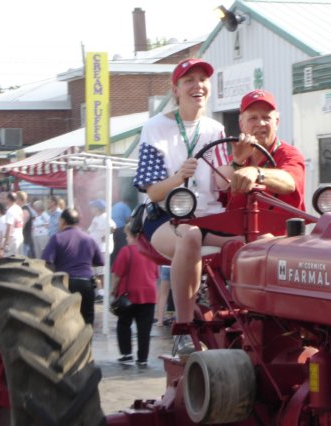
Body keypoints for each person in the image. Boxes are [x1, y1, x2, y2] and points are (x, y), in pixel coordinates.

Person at [133, 58, 231, 355]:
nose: (197, 85)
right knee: (189, 236)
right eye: (189, 80)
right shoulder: (155, 128)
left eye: (202, 79)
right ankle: (184, 329)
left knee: (257, 244)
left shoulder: (215, 129)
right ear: (175, 89)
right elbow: (152, 189)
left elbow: (224, 181)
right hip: (166, 217)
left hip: (209, 217)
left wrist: (238, 170)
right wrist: (179, 177)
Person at [225, 89, 306, 212]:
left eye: (266, 118)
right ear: (241, 124)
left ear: (276, 122)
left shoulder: (289, 155)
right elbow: (216, 197)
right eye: (253, 118)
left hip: (281, 231)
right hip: (238, 231)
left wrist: (256, 173)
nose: (260, 123)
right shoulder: (232, 161)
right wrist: (238, 163)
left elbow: (290, 182)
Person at [41, 208, 104, 326]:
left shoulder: (57, 238)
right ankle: (86, 344)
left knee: (64, 321)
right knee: (87, 321)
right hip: (86, 284)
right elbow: (100, 261)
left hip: (64, 285)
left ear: (63, 221)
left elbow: (46, 261)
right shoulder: (88, 239)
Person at [111, 223, 158, 367]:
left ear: (133, 236)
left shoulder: (126, 251)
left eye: (127, 235)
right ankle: (142, 358)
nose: (126, 238)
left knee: (124, 324)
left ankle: (127, 354)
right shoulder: (150, 251)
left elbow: (117, 274)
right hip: (149, 295)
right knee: (145, 329)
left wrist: (113, 290)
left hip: (129, 295)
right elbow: (155, 274)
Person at [87, 199, 116, 303]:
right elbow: (90, 231)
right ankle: (100, 292)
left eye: (93, 207)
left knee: (101, 272)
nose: (91, 209)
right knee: (96, 271)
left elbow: (113, 227)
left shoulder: (105, 217)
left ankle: (102, 293)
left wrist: (106, 235)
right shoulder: (96, 217)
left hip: (102, 248)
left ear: (97, 208)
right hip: (97, 247)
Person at [0, 191, 24, 256]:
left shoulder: (10, 211)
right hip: (19, 237)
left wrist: (6, 242)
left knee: (10, 259)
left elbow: (9, 228)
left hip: (12, 239)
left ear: (8, 199)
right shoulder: (19, 208)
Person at [111, 196, 132, 263]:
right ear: (128, 202)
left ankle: (113, 263)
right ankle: (122, 262)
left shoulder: (115, 206)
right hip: (121, 229)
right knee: (122, 246)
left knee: (114, 247)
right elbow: (128, 219)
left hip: (112, 229)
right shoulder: (125, 206)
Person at [16, 191, 36, 257]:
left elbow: (22, 226)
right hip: (25, 239)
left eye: (16, 199)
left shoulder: (24, 210)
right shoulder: (22, 209)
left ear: (20, 200)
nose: (15, 201)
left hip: (25, 239)